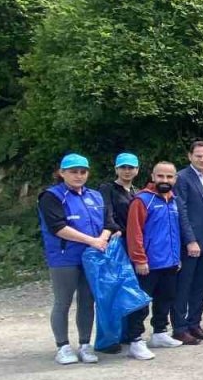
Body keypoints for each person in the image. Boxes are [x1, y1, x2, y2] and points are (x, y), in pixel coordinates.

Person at [38, 154, 114, 365]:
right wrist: (92, 240)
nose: (78, 176)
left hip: (92, 257)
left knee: (88, 301)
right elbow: (58, 227)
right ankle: (62, 346)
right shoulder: (51, 196)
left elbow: (109, 223)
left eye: (83, 172)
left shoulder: (96, 196)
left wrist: (103, 238)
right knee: (63, 301)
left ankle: (85, 344)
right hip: (64, 258)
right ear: (62, 173)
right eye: (73, 172)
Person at [125, 161, 191, 358]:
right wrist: (139, 259)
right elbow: (134, 232)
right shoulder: (142, 200)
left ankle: (159, 333)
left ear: (175, 179)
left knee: (165, 299)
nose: (165, 180)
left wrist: (176, 257)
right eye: (160, 176)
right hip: (148, 263)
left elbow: (175, 231)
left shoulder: (173, 200)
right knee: (140, 303)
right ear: (153, 177)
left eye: (169, 177)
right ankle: (136, 340)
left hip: (170, 262)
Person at [172, 141, 203, 344]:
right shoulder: (182, 178)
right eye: (199, 155)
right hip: (191, 241)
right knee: (184, 285)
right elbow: (181, 211)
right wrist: (190, 240)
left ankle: (194, 324)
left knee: (201, 284)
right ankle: (179, 328)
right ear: (190, 156)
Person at [100, 152, 139, 235]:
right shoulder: (107, 188)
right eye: (123, 167)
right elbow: (107, 213)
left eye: (131, 168)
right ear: (116, 169)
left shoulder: (138, 192)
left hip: (134, 236)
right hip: (115, 235)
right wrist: (116, 229)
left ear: (137, 170)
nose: (127, 171)